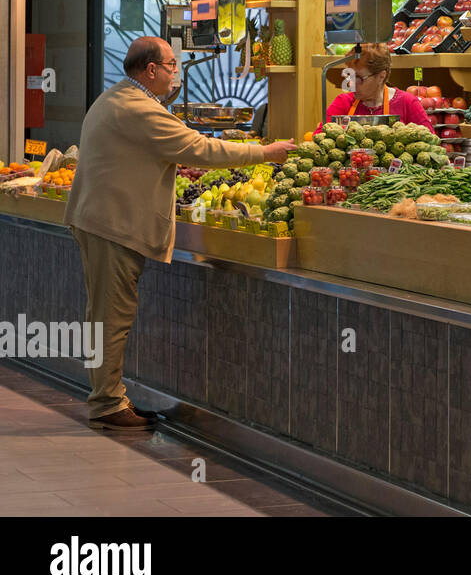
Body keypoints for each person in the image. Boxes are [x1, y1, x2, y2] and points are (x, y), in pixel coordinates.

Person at [65, 37, 295, 432]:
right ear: (150, 70)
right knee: (111, 315)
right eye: (172, 65)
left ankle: (109, 395)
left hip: (102, 220)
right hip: (112, 224)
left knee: (105, 313)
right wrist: (265, 152)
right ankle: (106, 402)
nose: (176, 72)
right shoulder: (138, 109)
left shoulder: (120, 98)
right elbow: (198, 149)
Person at [317, 42, 433, 131]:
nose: (350, 84)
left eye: (359, 78)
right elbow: (320, 138)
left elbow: (430, 144)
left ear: (381, 76)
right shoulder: (343, 103)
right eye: (349, 76)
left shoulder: (407, 103)